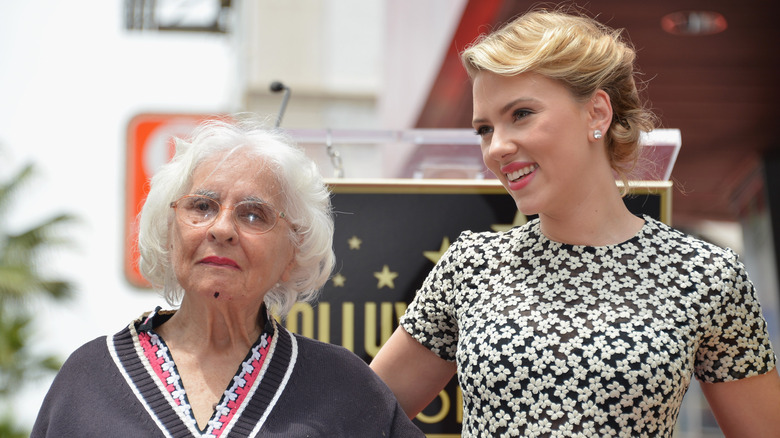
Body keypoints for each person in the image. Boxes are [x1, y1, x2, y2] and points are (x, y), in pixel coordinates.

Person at [370, 8, 780, 437]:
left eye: (522, 114)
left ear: (597, 113)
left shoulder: (705, 274)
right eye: (484, 129)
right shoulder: (472, 267)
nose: (497, 148)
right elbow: (360, 416)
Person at [32, 118, 423, 437]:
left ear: (294, 253)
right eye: (201, 206)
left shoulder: (341, 386)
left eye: (253, 214)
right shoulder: (90, 378)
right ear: (171, 234)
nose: (221, 229)